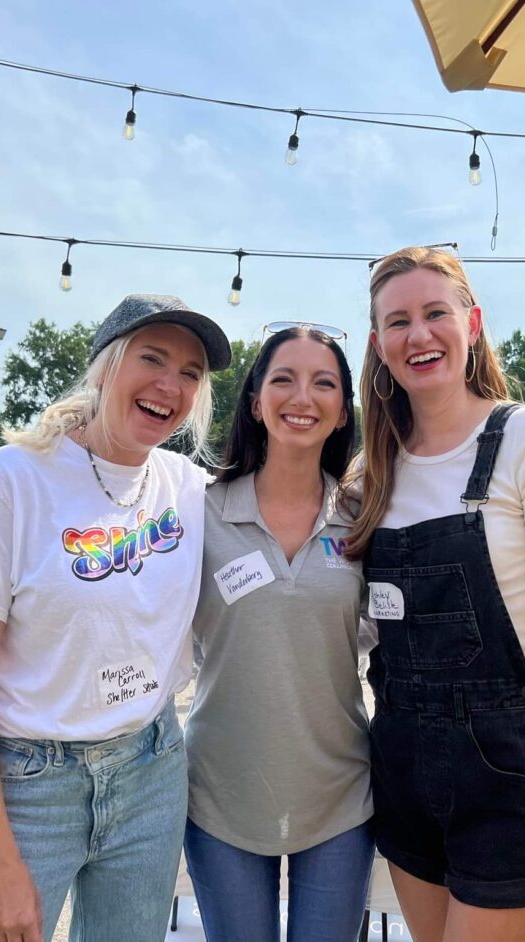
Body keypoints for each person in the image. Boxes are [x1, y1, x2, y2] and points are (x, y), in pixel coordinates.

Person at [0, 294, 230, 942]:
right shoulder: (10, 482)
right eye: (152, 359)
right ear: (104, 366)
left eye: (190, 372)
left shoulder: (190, 490)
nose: (169, 385)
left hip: (150, 769)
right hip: (27, 785)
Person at [346, 246, 525, 940]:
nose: (419, 335)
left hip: (511, 777)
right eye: (398, 322)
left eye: (437, 313)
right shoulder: (370, 473)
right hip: (400, 763)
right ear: (379, 345)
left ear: (474, 323)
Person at [184, 325, 374, 941]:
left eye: (324, 383)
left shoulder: (365, 518)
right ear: (255, 400)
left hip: (339, 796)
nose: (303, 396)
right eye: (284, 379)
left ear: (343, 409)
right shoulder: (198, 510)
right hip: (220, 795)